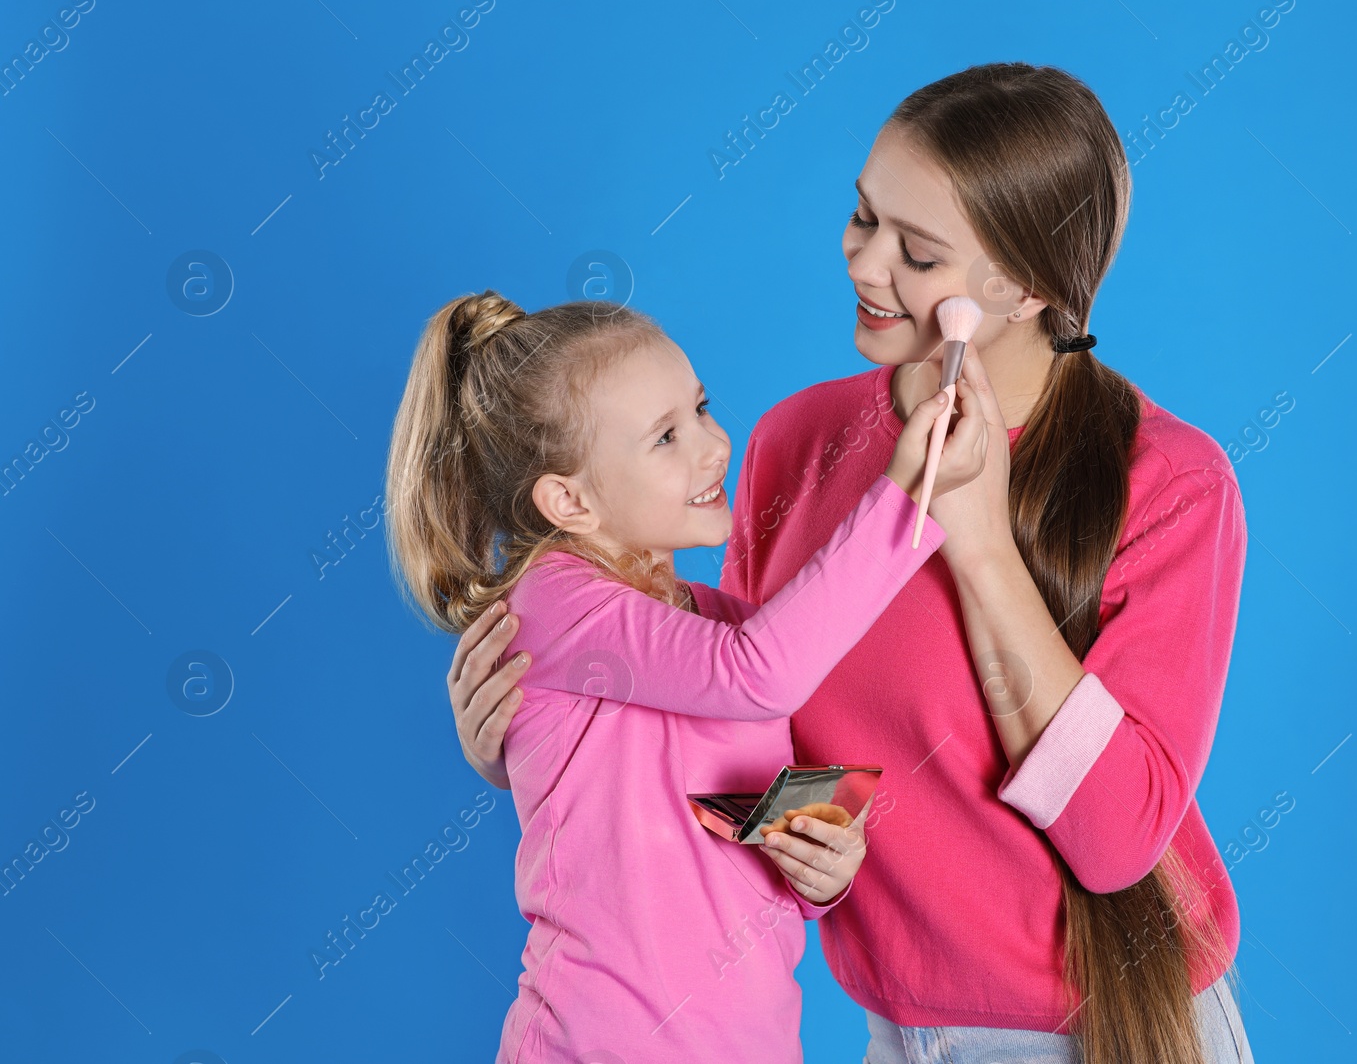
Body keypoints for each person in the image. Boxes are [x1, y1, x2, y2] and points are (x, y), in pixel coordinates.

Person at [444, 63, 1256, 1063]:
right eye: (862, 216)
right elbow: (742, 747)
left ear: (1023, 287)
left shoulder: (1170, 481)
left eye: (914, 252)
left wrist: (976, 535)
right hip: (894, 1031)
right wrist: (546, 732)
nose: (860, 261)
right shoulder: (798, 443)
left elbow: (1117, 837)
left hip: (1106, 1033)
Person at [384, 292, 987, 1063]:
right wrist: (907, 493)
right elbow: (761, 676)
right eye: (666, 437)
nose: (713, 446)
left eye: (701, 409)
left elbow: (750, 850)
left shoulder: (727, 625)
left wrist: (822, 872)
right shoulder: (552, 599)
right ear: (568, 500)